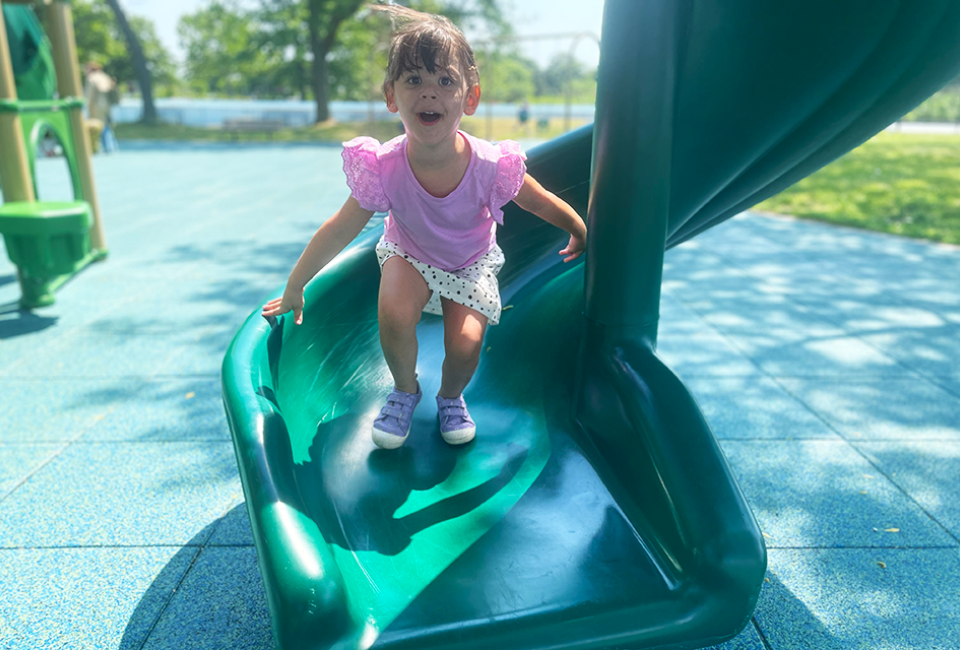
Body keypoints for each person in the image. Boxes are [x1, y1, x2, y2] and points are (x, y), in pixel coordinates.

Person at [262, 5, 587, 450]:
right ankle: (404, 390)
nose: (428, 94)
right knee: (394, 311)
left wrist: (577, 227)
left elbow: (537, 199)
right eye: (414, 80)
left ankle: (451, 397)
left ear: (469, 98)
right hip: (409, 253)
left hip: (469, 263)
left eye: (445, 81)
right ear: (392, 96)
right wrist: (297, 284)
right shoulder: (383, 166)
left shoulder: (491, 165)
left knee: (467, 343)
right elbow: (341, 227)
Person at [83, 62, 119, 153]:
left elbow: (89, 95)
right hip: (107, 105)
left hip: (97, 105)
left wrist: (86, 105)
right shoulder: (105, 76)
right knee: (107, 126)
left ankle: (103, 147)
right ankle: (111, 146)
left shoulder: (92, 78)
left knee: (98, 126)